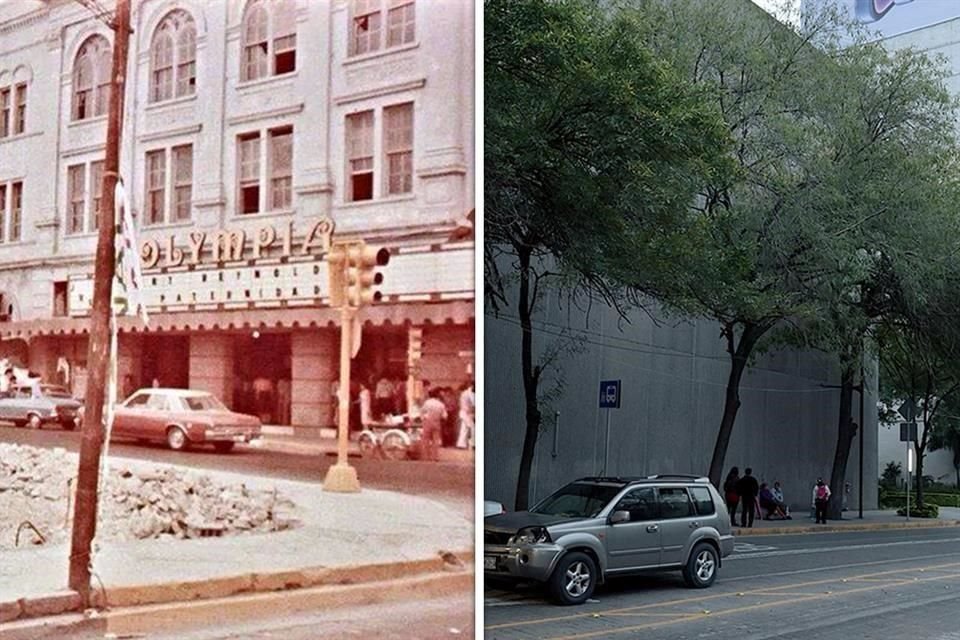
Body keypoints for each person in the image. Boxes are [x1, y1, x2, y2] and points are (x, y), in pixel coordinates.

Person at [419, 388, 448, 462]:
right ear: (437, 396)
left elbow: (422, 412)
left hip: (427, 422)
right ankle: (435, 457)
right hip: (436, 422)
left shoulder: (427, 403)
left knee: (426, 440)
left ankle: (426, 457)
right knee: (436, 440)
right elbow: (444, 416)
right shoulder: (440, 404)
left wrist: (423, 418)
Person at [456, 380, 475, 449]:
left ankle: (461, 444)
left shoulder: (469, 392)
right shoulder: (467, 393)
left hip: (467, 413)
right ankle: (473, 444)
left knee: (464, 429)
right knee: (473, 428)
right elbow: (472, 405)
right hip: (466, 413)